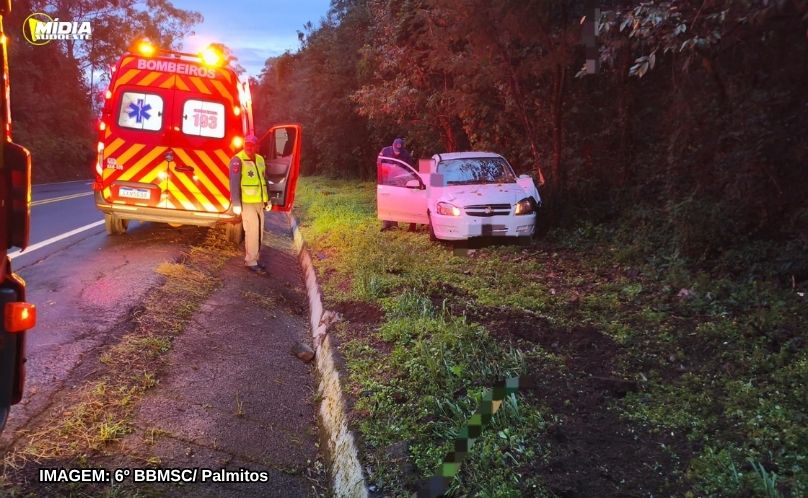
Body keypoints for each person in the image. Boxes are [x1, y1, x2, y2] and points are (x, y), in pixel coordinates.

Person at [229, 134, 270, 274]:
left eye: (252, 145)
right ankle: (250, 261)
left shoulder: (259, 159)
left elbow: (264, 180)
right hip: (246, 203)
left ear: (256, 146)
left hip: (259, 202)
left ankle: (256, 258)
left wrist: (267, 199)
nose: (249, 147)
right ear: (243, 145)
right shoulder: (237, 160)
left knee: (259, 230)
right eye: (247, 144)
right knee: (252, 230)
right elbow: (234, 184)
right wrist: (236, 203)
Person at [378, 137, 417, 232]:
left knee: (396, 201)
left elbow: (410, 170)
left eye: (398, 151)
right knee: (386, 201)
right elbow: (379, 162)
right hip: (386, 180)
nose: (397, 153)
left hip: (399, 181)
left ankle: (396, 224)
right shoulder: (385, 151)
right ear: (392, 146)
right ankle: (387, 224)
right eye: (395, 150)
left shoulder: (406, 155)